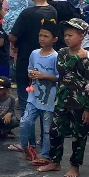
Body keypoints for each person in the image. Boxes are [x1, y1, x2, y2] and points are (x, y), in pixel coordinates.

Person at [38, 18, 89, 177]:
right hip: (62, 99)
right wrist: (78, 57)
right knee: (55, 131)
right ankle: (55, 161)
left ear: (82, 36)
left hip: (80, 102)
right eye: (65, 35)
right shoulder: (62, 52)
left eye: (71, 35)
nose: (67, 38)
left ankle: (75, 165)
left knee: (79, 135)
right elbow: (63, 69)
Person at [9, 0, 57, 153]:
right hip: (49, 64)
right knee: (46, 105)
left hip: (27, 63)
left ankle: (28, 144)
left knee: (26, 103)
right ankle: (43, 144)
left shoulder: (27, 13)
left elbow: (13, 37)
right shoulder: (53, 11)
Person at [21, 18, 59, 165]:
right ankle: (25, 147)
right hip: (33, 96)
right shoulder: (34, 53)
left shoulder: (55, 57)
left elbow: (59, 77)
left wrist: (44, 76)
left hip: (50, 100)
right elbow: (30, 68)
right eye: (40, 35)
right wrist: (31, 74)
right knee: (25, 122)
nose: (42, 39)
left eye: (46, 36)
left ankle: (45, 155)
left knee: (47, 130)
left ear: (54, 39)